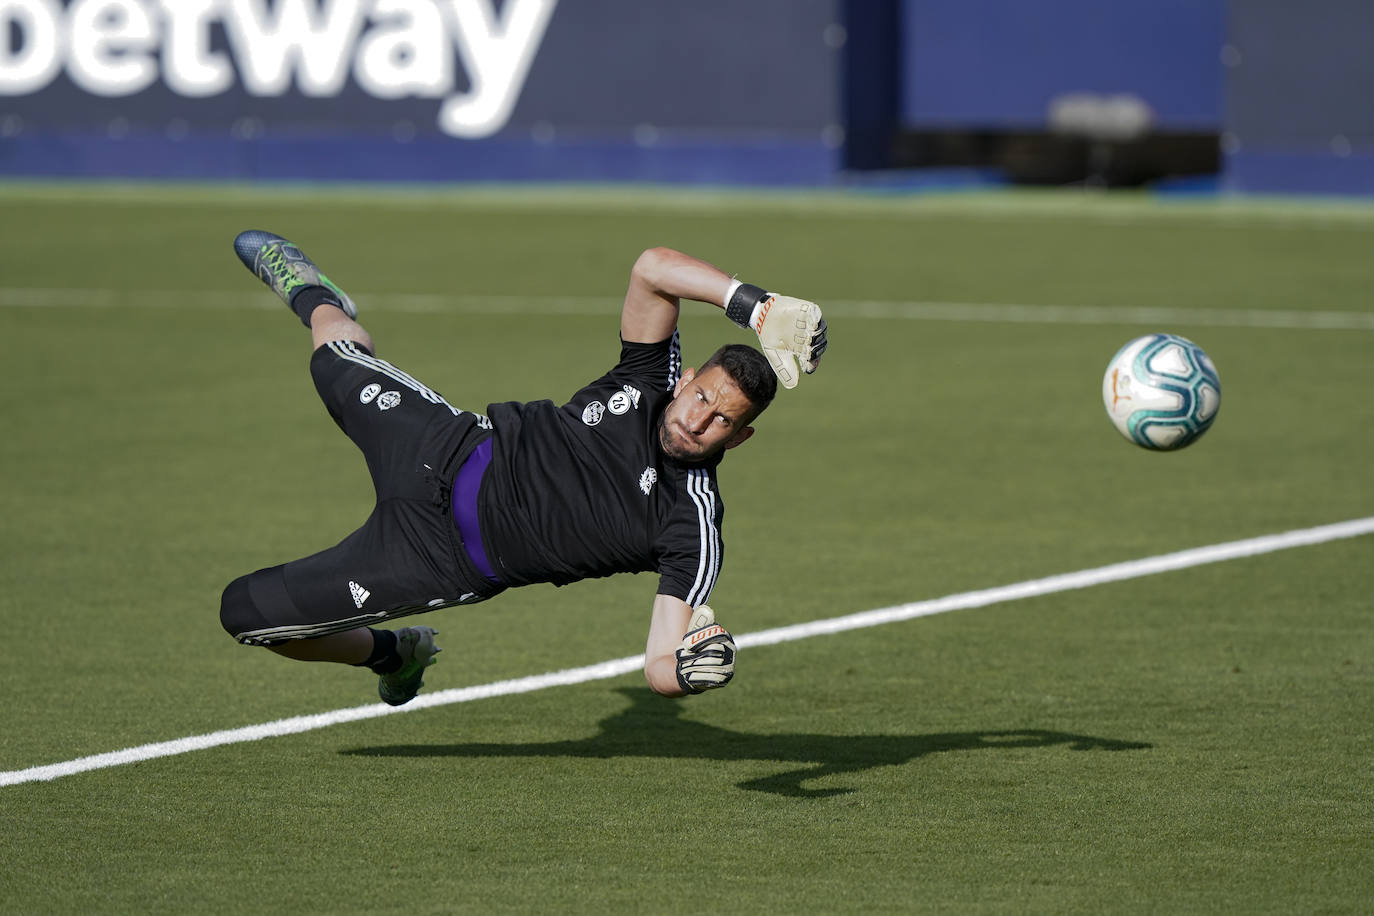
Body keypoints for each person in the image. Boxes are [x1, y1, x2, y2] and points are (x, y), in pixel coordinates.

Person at [220, 231, 828, 706]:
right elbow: (650, 269)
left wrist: (693, 672)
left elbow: (658, 666)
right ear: (688, 380)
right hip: (443, 444)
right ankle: (314, 292)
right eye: (701, 398)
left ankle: (389, 655)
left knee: (248, 613)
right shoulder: (648, 380)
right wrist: (753, 305)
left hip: (434, 557)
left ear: (740, 438)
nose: (697, 422)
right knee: (332, 353)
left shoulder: (690, 525)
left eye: (721, 421)